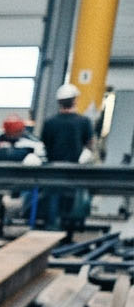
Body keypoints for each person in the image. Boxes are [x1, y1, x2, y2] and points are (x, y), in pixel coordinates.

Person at [39, 82, 97, 236]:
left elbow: (44, 144)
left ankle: (51, 228)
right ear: (75, 100)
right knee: (71, 200)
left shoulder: (50, 122)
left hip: (53, 169)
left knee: (52, 198)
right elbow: (90, 144)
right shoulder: (83, 122)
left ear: (59, 102)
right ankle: (68, 231)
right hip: (74, 170)